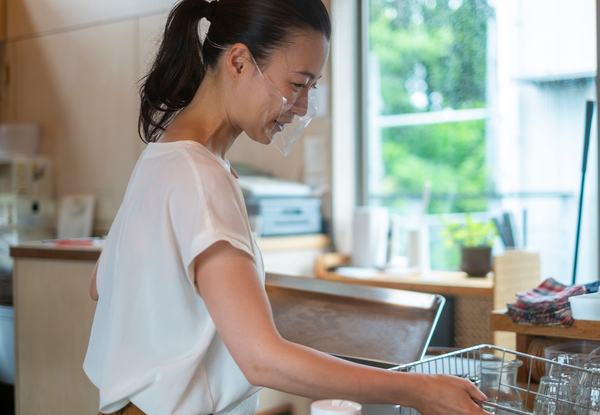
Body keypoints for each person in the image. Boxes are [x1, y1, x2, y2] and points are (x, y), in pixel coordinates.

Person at [84, 1, 491, 415]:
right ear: (239, 62)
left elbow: (102, 282)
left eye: (311, 88)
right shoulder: (200, 175)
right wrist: (417, 389)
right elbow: (262, 358)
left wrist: (229, 304)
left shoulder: (162, 156)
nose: (300, 108)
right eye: (298, 84)